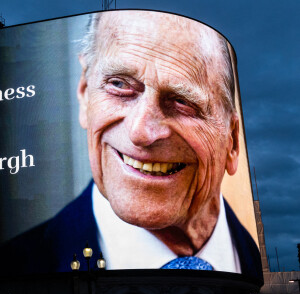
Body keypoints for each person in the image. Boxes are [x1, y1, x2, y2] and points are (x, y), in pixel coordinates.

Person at [0, 10, 262, 280]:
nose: (141, 132)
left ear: (231, 141)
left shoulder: (251, 260)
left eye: (183, 101)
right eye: (118, 84)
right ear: (84, 93)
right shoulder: (16, 267)